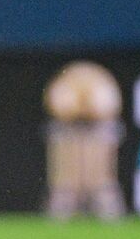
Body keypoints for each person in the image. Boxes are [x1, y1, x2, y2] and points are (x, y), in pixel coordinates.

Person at [43, 61, 126, 220]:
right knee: (65, 184)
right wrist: (78, 111)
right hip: (68, 140)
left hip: (99, 137)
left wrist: (87, 110)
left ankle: (110, 216)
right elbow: (61, 108)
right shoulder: (66, 86)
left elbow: (106, 108)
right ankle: (60, 217)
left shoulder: (101, 84)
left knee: (102, 183)